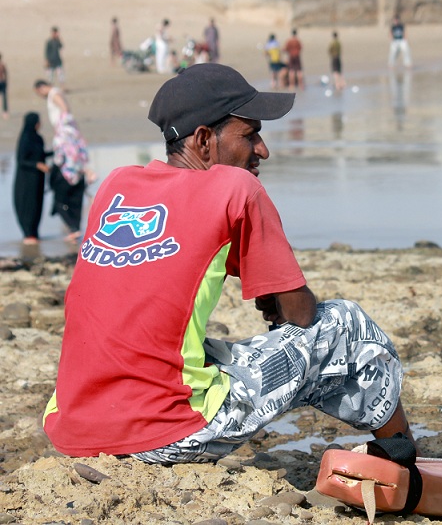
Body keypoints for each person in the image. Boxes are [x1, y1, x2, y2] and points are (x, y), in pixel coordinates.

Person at [41, 63, 416, 463]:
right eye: (250, 134)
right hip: (165, 433)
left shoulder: (115, 186)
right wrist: (283, 299)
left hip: (72, 429)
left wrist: (275, 294)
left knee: (195, 350)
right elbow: (300, 314)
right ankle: (407, 460)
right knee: (345, 323)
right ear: (204, 139)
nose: (263, 150)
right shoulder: (235, 188)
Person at [33, 80, 88, 241]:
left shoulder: (53, 93)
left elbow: (65, 108)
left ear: (41, 88)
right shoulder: (54, 93)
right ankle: (73, 227)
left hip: (64, 130)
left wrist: (62, 124)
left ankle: (72, 226)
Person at [13, 113, 51, 244]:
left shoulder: (38, 138)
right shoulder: (25, 139)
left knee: (37, 205)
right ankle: (28, 234)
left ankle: (34, 233)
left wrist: (56, 152)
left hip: (38, 180)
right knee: (28, 205)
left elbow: (40, 154)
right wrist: (37, 165)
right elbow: (21, 160)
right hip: (26, 181)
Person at [0, 52, 8, 119]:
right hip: (2, 82)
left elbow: (5, 74)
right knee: (4, 97)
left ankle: (5, 111)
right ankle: (5, 112)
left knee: (4, 98)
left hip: (2, 82)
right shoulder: (2, 64)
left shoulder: (2, 65)